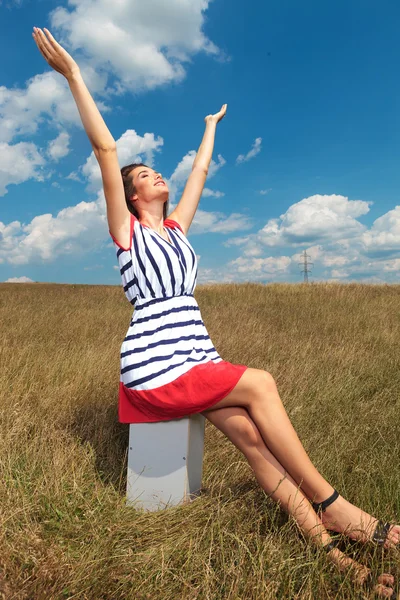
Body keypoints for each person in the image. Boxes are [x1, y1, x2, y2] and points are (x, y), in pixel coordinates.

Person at [32, 27, 399, 598]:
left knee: (253, 440)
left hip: (196, 357)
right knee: (262, 383)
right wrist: (74, 76)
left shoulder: (177, 232)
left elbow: (199, 175)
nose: (155, 175)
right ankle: (335, 506)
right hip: (157, 367)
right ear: (130, 196)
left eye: (156, 171)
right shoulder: (126, 234)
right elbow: (106, 150)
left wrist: (208, 130)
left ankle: (335, 561)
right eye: (144, 175)